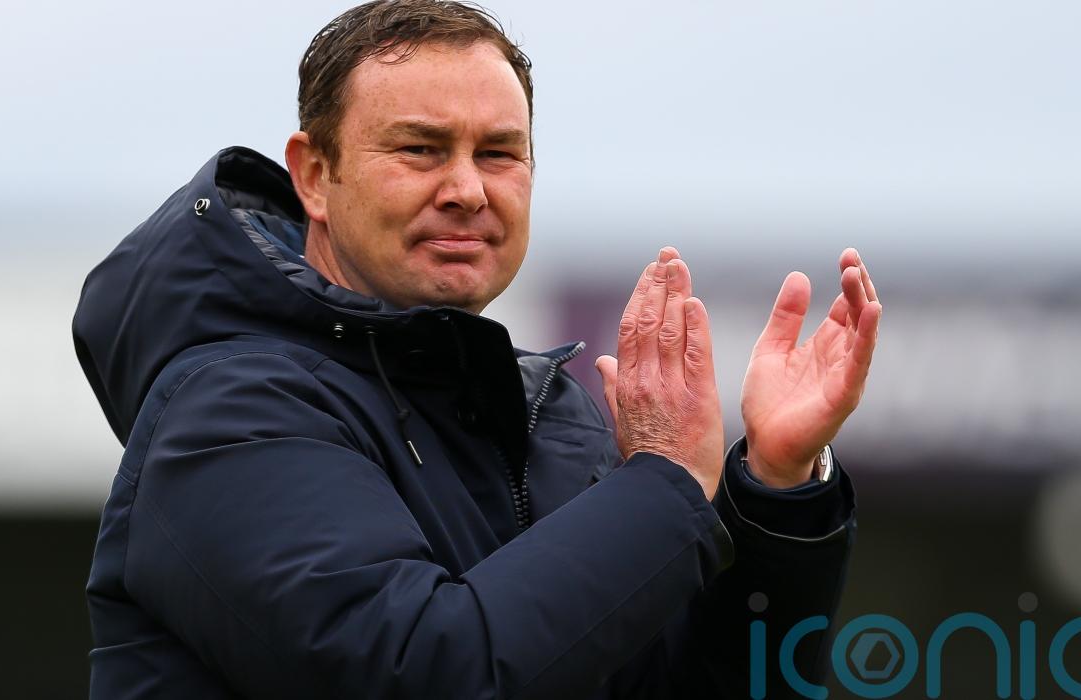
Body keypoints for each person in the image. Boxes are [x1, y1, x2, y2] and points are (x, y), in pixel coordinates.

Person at [73, 1, 882, 697]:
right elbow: (428, 675)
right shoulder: (229, 414)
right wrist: (665, 482)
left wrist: (776, 490)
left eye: (498, 153)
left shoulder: (552, 418)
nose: (467, 190)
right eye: (420, 149)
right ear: (314, 175)